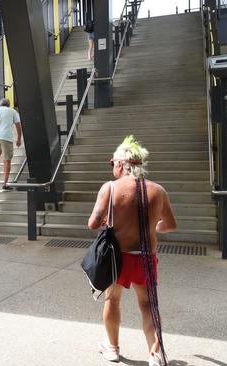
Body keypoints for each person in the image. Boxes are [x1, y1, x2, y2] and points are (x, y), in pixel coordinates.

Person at [87, 136, 177, 366]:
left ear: (120, 164)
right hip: (145, 258)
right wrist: (154, 226)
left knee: (112, 300)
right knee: (148, 306)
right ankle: (156, 354)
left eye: (113, 162)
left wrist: (109, 219)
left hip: (117, 259)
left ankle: (113, 349)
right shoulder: (158, 191)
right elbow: (170, 225)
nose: (113, 166)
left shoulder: (110, 188)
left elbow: (93, 223)